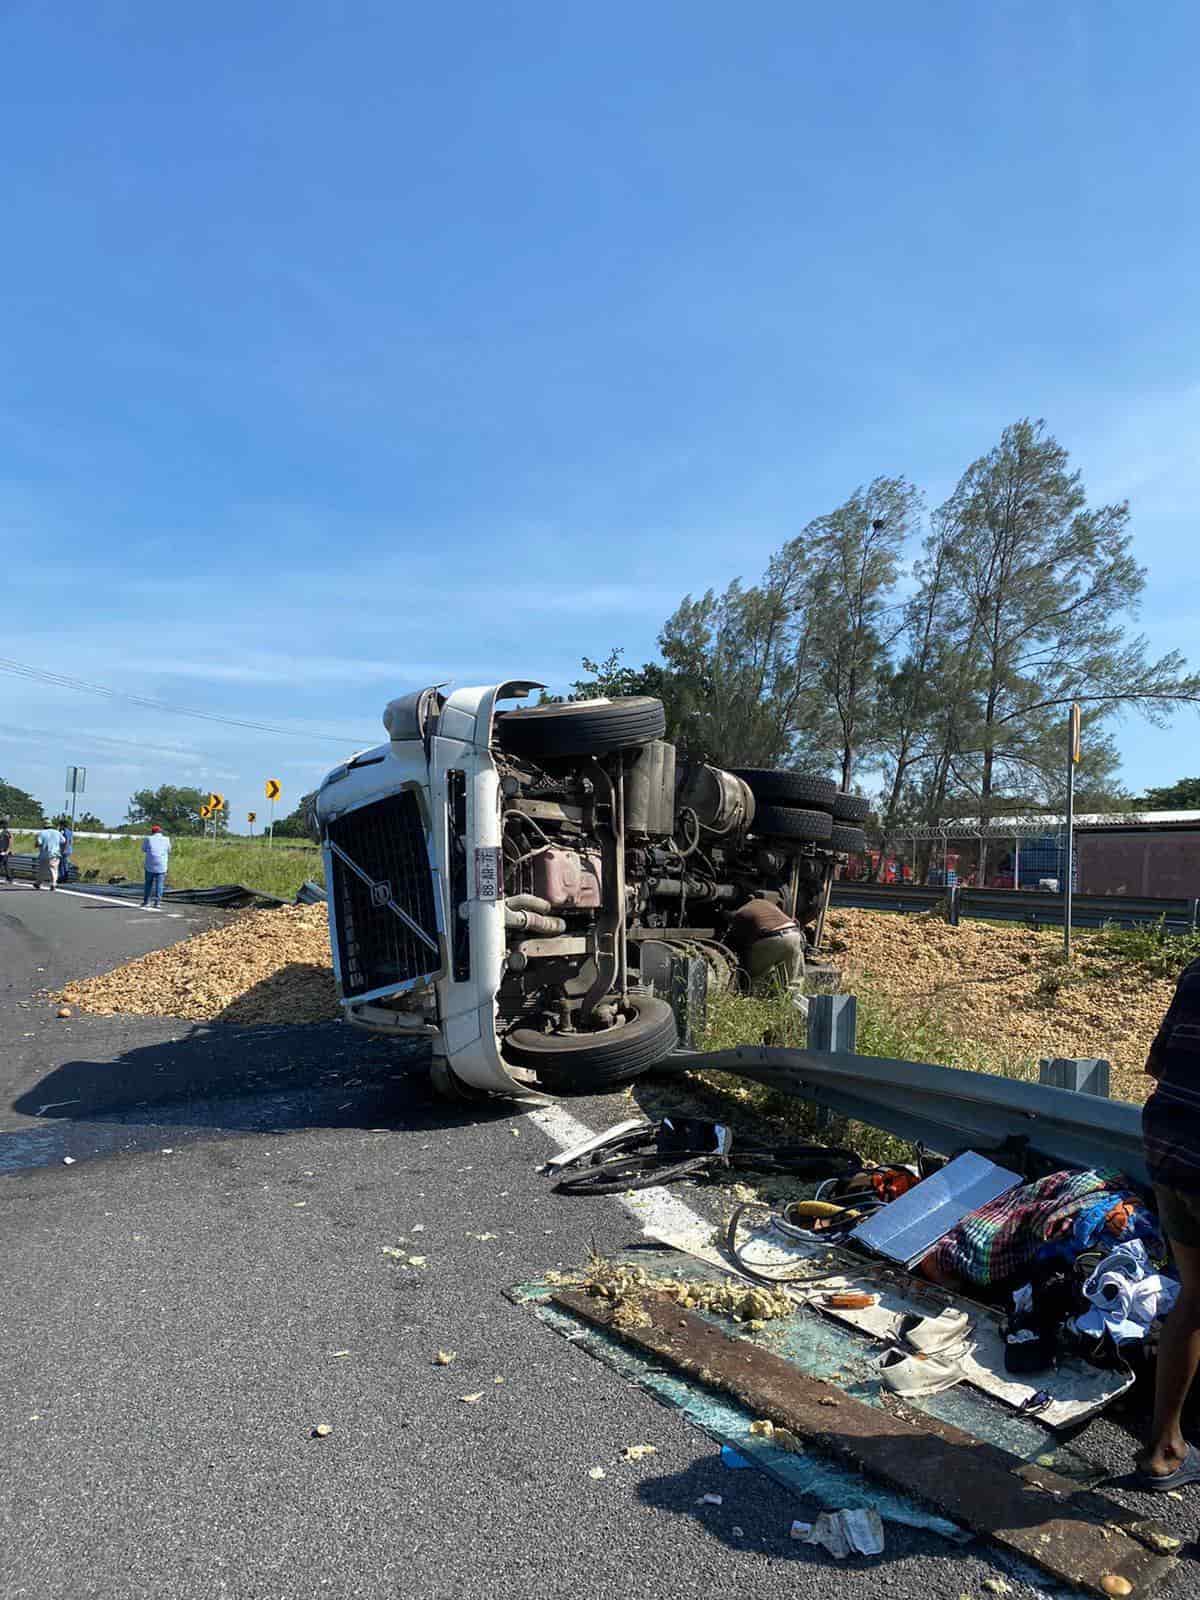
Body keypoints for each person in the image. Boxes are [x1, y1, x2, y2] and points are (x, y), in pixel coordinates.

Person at [1137, 955, 1200, 1491]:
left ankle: (1165, 1448)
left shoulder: (1198, 969)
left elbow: (1157, 1065)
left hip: (1172, 1151)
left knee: (1196, 1297)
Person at [141, 824, 170, 908]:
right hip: (162, 865)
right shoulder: (166, 839)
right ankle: (157, 903)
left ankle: (146, 902)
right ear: (160, 831)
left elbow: (143, 849)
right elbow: (169, 850)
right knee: (159, 884)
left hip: (150, 865)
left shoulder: (148, 839)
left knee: (148, 883)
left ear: (152, 832)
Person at [34, 822, 62, 890]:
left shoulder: (41, 833)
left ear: (44, 826)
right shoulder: (57, 832)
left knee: (42, 870)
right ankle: (53, 884)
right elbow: (63, 840)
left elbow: (39, 843)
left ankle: (38, 883)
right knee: (54, 870)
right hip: (55, 854)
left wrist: (36, 845)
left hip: (44, 854)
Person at [0, 818, 13, 884]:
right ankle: (9, 878)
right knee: (6, 864)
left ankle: (9, 878)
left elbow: (10, 842)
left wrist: (8, 850)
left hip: (4, 851)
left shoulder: (7, 832)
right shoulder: (5, 832)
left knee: (2, 864)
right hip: (3, 851)